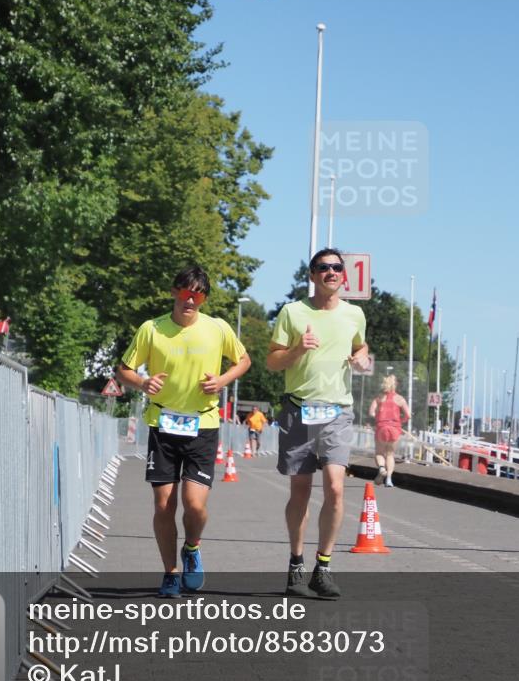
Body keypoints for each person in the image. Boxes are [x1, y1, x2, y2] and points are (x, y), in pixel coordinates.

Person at [117, 266, 250, 598]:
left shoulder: (217, 328)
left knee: (194, 505)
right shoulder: (152, 329)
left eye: (198, 295)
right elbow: (123, 370)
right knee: (164, 505)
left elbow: (244, 360)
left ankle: (191, 547)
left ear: (204, 299)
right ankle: (170, 573)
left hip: (202, 425)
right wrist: (143, 382)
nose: (191, 300)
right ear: (174, 292)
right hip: (162, 425)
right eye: (186, 293)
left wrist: (222, 380)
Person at [267, 248, 370, 599]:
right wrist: (298, 349)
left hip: (337, 412)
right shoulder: (292, 312)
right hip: (299, 410)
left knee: (336, 489)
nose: (331, 272)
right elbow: (272, 361)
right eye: (323, 267)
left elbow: (360, 345)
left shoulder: (354, 314)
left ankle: (322, 568)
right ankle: (296, 563)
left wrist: (362, 356)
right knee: (300, 492)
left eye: (336, 267)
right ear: (312, 275)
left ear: (344, 275)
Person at [368, 374, 411, 488]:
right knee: (390, 455)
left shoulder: (379, 398)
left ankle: (382, 469)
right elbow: (408, 415)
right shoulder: (400, 399)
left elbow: (371, 412)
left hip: (381, 428)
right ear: (396, 385)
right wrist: (401, 420)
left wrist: (378, 416)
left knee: (379, 453)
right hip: (395, 429)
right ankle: (389, 479)